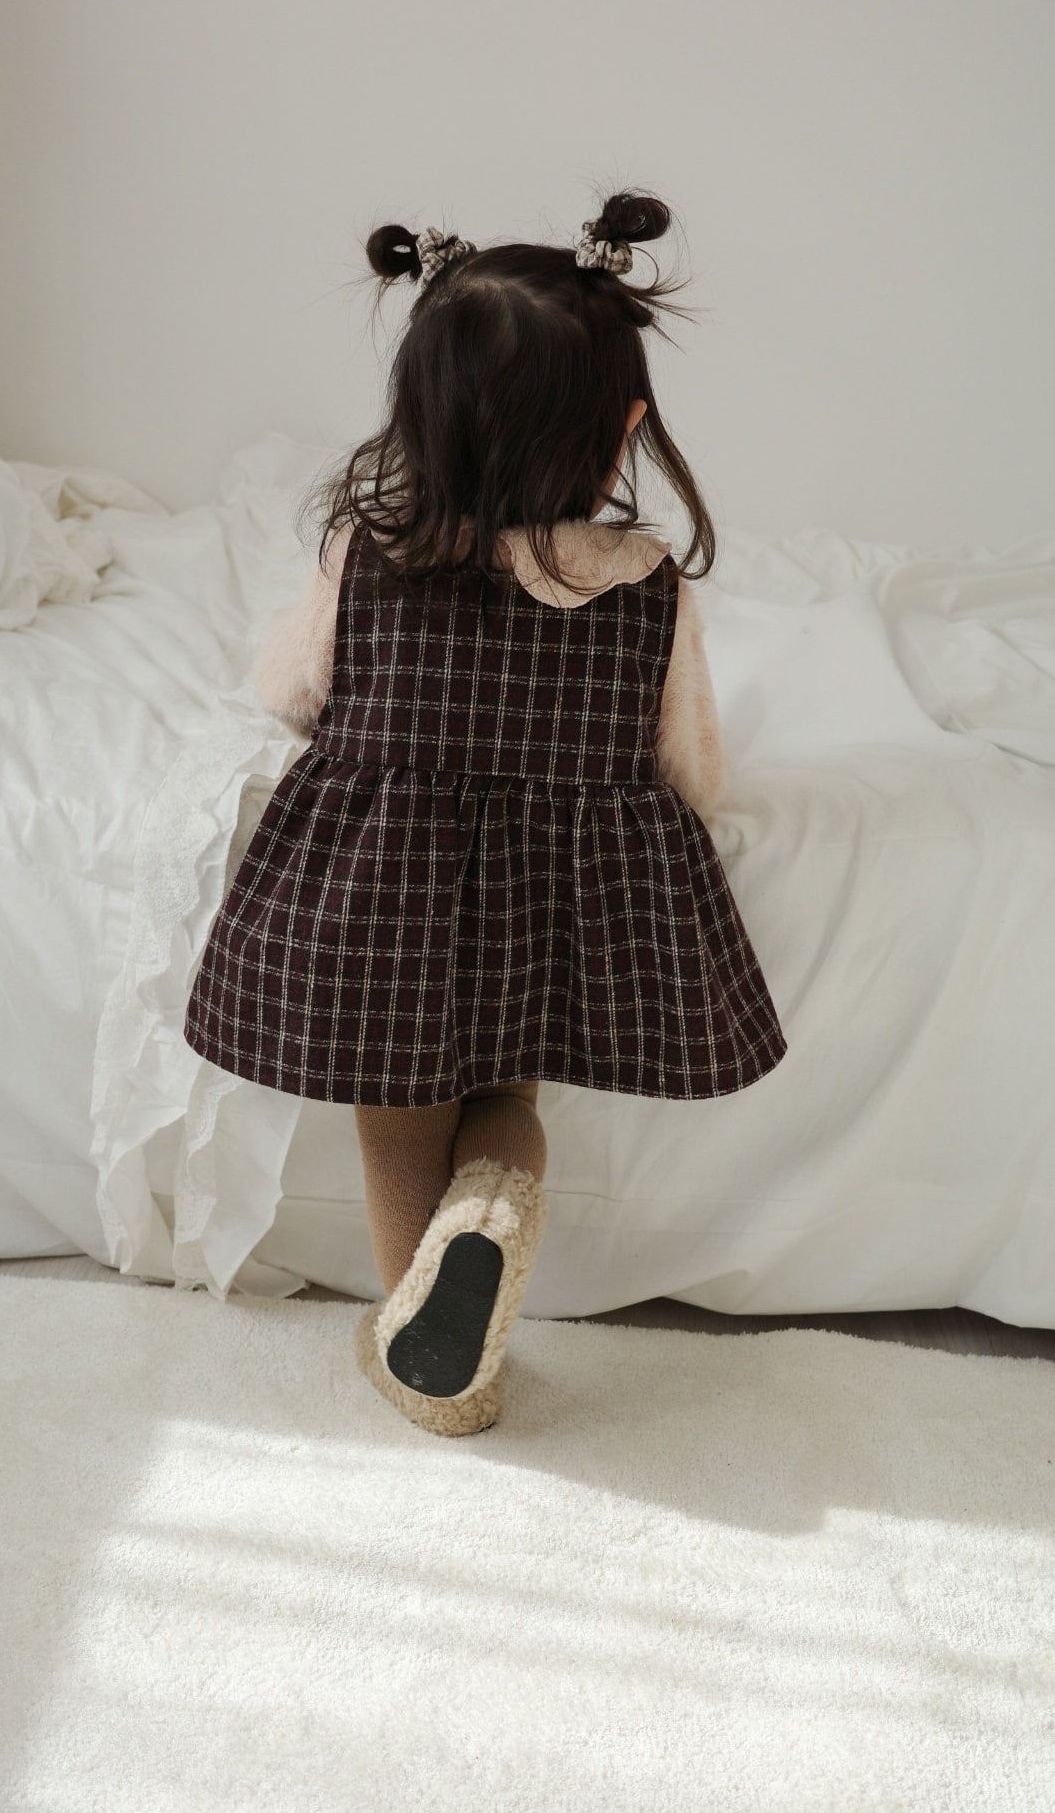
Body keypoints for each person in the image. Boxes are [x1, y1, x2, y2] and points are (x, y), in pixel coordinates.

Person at [186, 190, 788, 1436]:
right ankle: (488, 1210)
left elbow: (287, 692)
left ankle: (431, 1361)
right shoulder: (645, 585)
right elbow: (691, 770)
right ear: (624, 426)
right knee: (504, 1090)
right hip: (554, 906)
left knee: (394, 1105)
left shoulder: (367, 555)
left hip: (383, 889)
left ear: (420, 415)